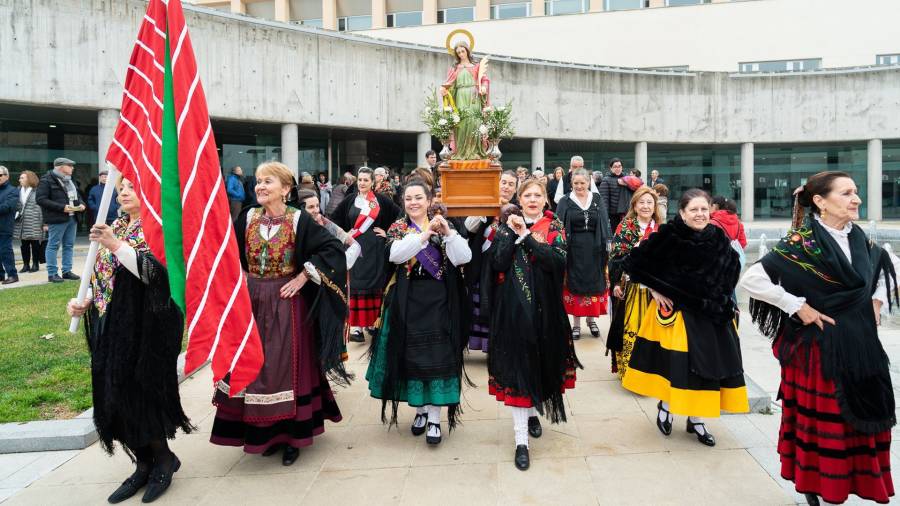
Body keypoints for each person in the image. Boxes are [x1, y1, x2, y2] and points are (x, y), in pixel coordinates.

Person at [741, 171, 896, 506]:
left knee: (863, 419)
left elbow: (882, 268)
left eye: (856, 192)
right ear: (820, 202)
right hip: (819, 351)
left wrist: (876, 300)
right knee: (828, 425)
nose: (856, 199)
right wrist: (798, 307)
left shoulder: (863, 241)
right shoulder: (802, 243)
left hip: (862, 347)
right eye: (846, 193)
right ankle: (819, 486)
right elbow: (753, 279)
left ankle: (855, 483)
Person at [210, 162, 350, 466]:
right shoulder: (247, 216)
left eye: (268, 181)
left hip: (287, 304)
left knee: (287, 369)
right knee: (256, 368)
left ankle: (292, 437)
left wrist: (302, 277)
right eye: (258, 181)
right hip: (253, 303)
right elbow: (228, 251)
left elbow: (332, 250)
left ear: (286, 189)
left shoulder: (299, 219)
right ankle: (265, 433)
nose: (260, 186)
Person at [66, 177, 191, 504]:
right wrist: (86, 300)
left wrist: (114, 245)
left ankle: (163, 459)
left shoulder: (160, 228)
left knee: (141, 392)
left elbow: (156, 275)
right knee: (113, 393)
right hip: (115, 323)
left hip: (148, 326)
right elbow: (102, 275)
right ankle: (143, 462)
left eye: (131, 187)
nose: (123, 192)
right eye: (121, 187)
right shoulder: (116, 226)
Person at [621, 189, 748, 447]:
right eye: (694, 210)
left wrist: (725, 302)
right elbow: (633, 265)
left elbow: (732, 270)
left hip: (713, 316)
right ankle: (666, 407)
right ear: (682, 213)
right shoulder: (668, 236)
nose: (700, 214)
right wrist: (654, 289)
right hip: (679, 317)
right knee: (677, 368)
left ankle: (697, 419)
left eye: (704, 209)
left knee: (707, 370)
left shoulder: (719, 238)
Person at [367, 179, 472, 445]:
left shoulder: (445, 224)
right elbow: (395, 255)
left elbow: (464, 257)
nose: (413, 203)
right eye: (409, 198)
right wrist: (425, 236)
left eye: (418, 198)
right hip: (408, 299)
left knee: (436, 358)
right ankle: (421, 410)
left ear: (428, 200)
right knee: (412, 357)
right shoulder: (399, 227)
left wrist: (447, 233)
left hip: (439, 300)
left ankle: (435, 418)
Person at [488, 179, 580, 471]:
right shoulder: (504, 227)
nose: (532, 199)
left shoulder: (555, 228)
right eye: (527, 195)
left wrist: (525, 236)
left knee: (539, 364)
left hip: (546, 311)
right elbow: (498, 263)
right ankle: (520, 441)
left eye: (537, 195)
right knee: (518, 370)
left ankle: (531, 413)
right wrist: (510, 234)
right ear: (519, 198)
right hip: (512, 310)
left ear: (545, 199)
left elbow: (556, 262)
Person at [331, 167, 401, 342]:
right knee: (355, 285)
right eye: (360, 180)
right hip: (355, 248)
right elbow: (334, 219)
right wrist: (344, 234)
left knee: (374, 285)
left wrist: (387, 232)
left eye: (366, 180)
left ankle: (372, 324)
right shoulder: (349, 200)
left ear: (372, 182)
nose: (362, 183)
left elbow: (400, 215)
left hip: (375, 249)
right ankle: (356, 328)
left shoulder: (382, 201)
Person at [606, 187, 663, 378]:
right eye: (642, 202)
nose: (646, 206)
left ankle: (651, 372)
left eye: (649, 202)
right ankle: (630, 373)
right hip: (631, 287)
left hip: (657, 290)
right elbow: (615, 257)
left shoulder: (662, 228)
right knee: (631, 328)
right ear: (635, 206)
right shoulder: (626, 226)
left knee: (654, 331)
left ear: (655, 206)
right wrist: (615, 283)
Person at [463, 170, 518, 352]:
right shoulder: (486, 204)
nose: (506, 186)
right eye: (503, 182)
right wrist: (486, 207)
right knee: (481, 302)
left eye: (511, 184)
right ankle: (483, 344)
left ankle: (499, 345)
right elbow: (469, 227)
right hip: (481, 263)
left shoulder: (517, 210)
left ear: (516, 189)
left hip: (505, 266)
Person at [555, 168, 611, 339]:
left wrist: (608, 242)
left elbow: (604, 221)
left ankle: (591, 320)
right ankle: (577, 324)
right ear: (571, 183)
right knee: (574, 282)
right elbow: (557, 226)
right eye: (576, 183)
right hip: (573, 249)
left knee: (593, 283)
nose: (579, 186)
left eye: (582, 182)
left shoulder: (597, 199)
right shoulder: (565, 200)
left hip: (595, 249)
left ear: (589, 182)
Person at [36, 157, 85, 283]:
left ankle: (66, 271)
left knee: (69, 245)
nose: (72, 168)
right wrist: (62, 208)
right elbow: (40, 199)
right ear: (61, 167)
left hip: (72, 217)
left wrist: (81, 204)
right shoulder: (46, 180)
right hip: (57, 218)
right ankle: (52, 274)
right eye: (70, 165)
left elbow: (78, 196)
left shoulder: (70, 180)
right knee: (53, 245)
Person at [441, 41, 489, 160]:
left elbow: (484, 79)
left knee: (474, 122)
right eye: (458, 52)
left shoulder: (476, 66)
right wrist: (444, 89)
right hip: (460, 97)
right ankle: (461, 151)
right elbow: (449, 83)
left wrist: (483, 87)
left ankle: (475, 150)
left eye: (463, 51)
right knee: (461, 123)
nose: (461, 54)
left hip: (473, 96)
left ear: (467, 51)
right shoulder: (455, 68)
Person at [296, 189, 360, 269]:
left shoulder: (322, 220)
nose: (316, 210)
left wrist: (346, 238)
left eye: (317, 205)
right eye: (311, 207)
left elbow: (345, 239)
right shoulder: (293, 225)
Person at [14, 171, 44, 274]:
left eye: (22, 178)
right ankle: (25, 265)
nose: (19, 180)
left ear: (29, 179)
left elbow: (43, 207)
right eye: (20, 178)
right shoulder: (18, 190)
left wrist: (45, 223)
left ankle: (35, 264)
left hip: (35, 220)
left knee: (35, 243)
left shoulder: (38, 191)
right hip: (22, 221)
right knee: (24, 244)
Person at [598, 158, 634, 233]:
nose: (618, 168)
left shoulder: (627, 178)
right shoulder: (606, 180)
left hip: (627, 213)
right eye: (615, 167)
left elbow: (640, 185)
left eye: (619, 166)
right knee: (616, 235)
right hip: (614, 215)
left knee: (628, 236)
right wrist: (605, 216)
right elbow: (604, 200)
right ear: (611, 168)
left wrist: (627, 183)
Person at [0, 167, 19, 284]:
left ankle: (13, 275)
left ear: (7, 176)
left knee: (5, 251)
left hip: (4, 226)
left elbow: (7, 207)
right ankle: (1, 275)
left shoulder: (13, 190)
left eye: (0, 175)